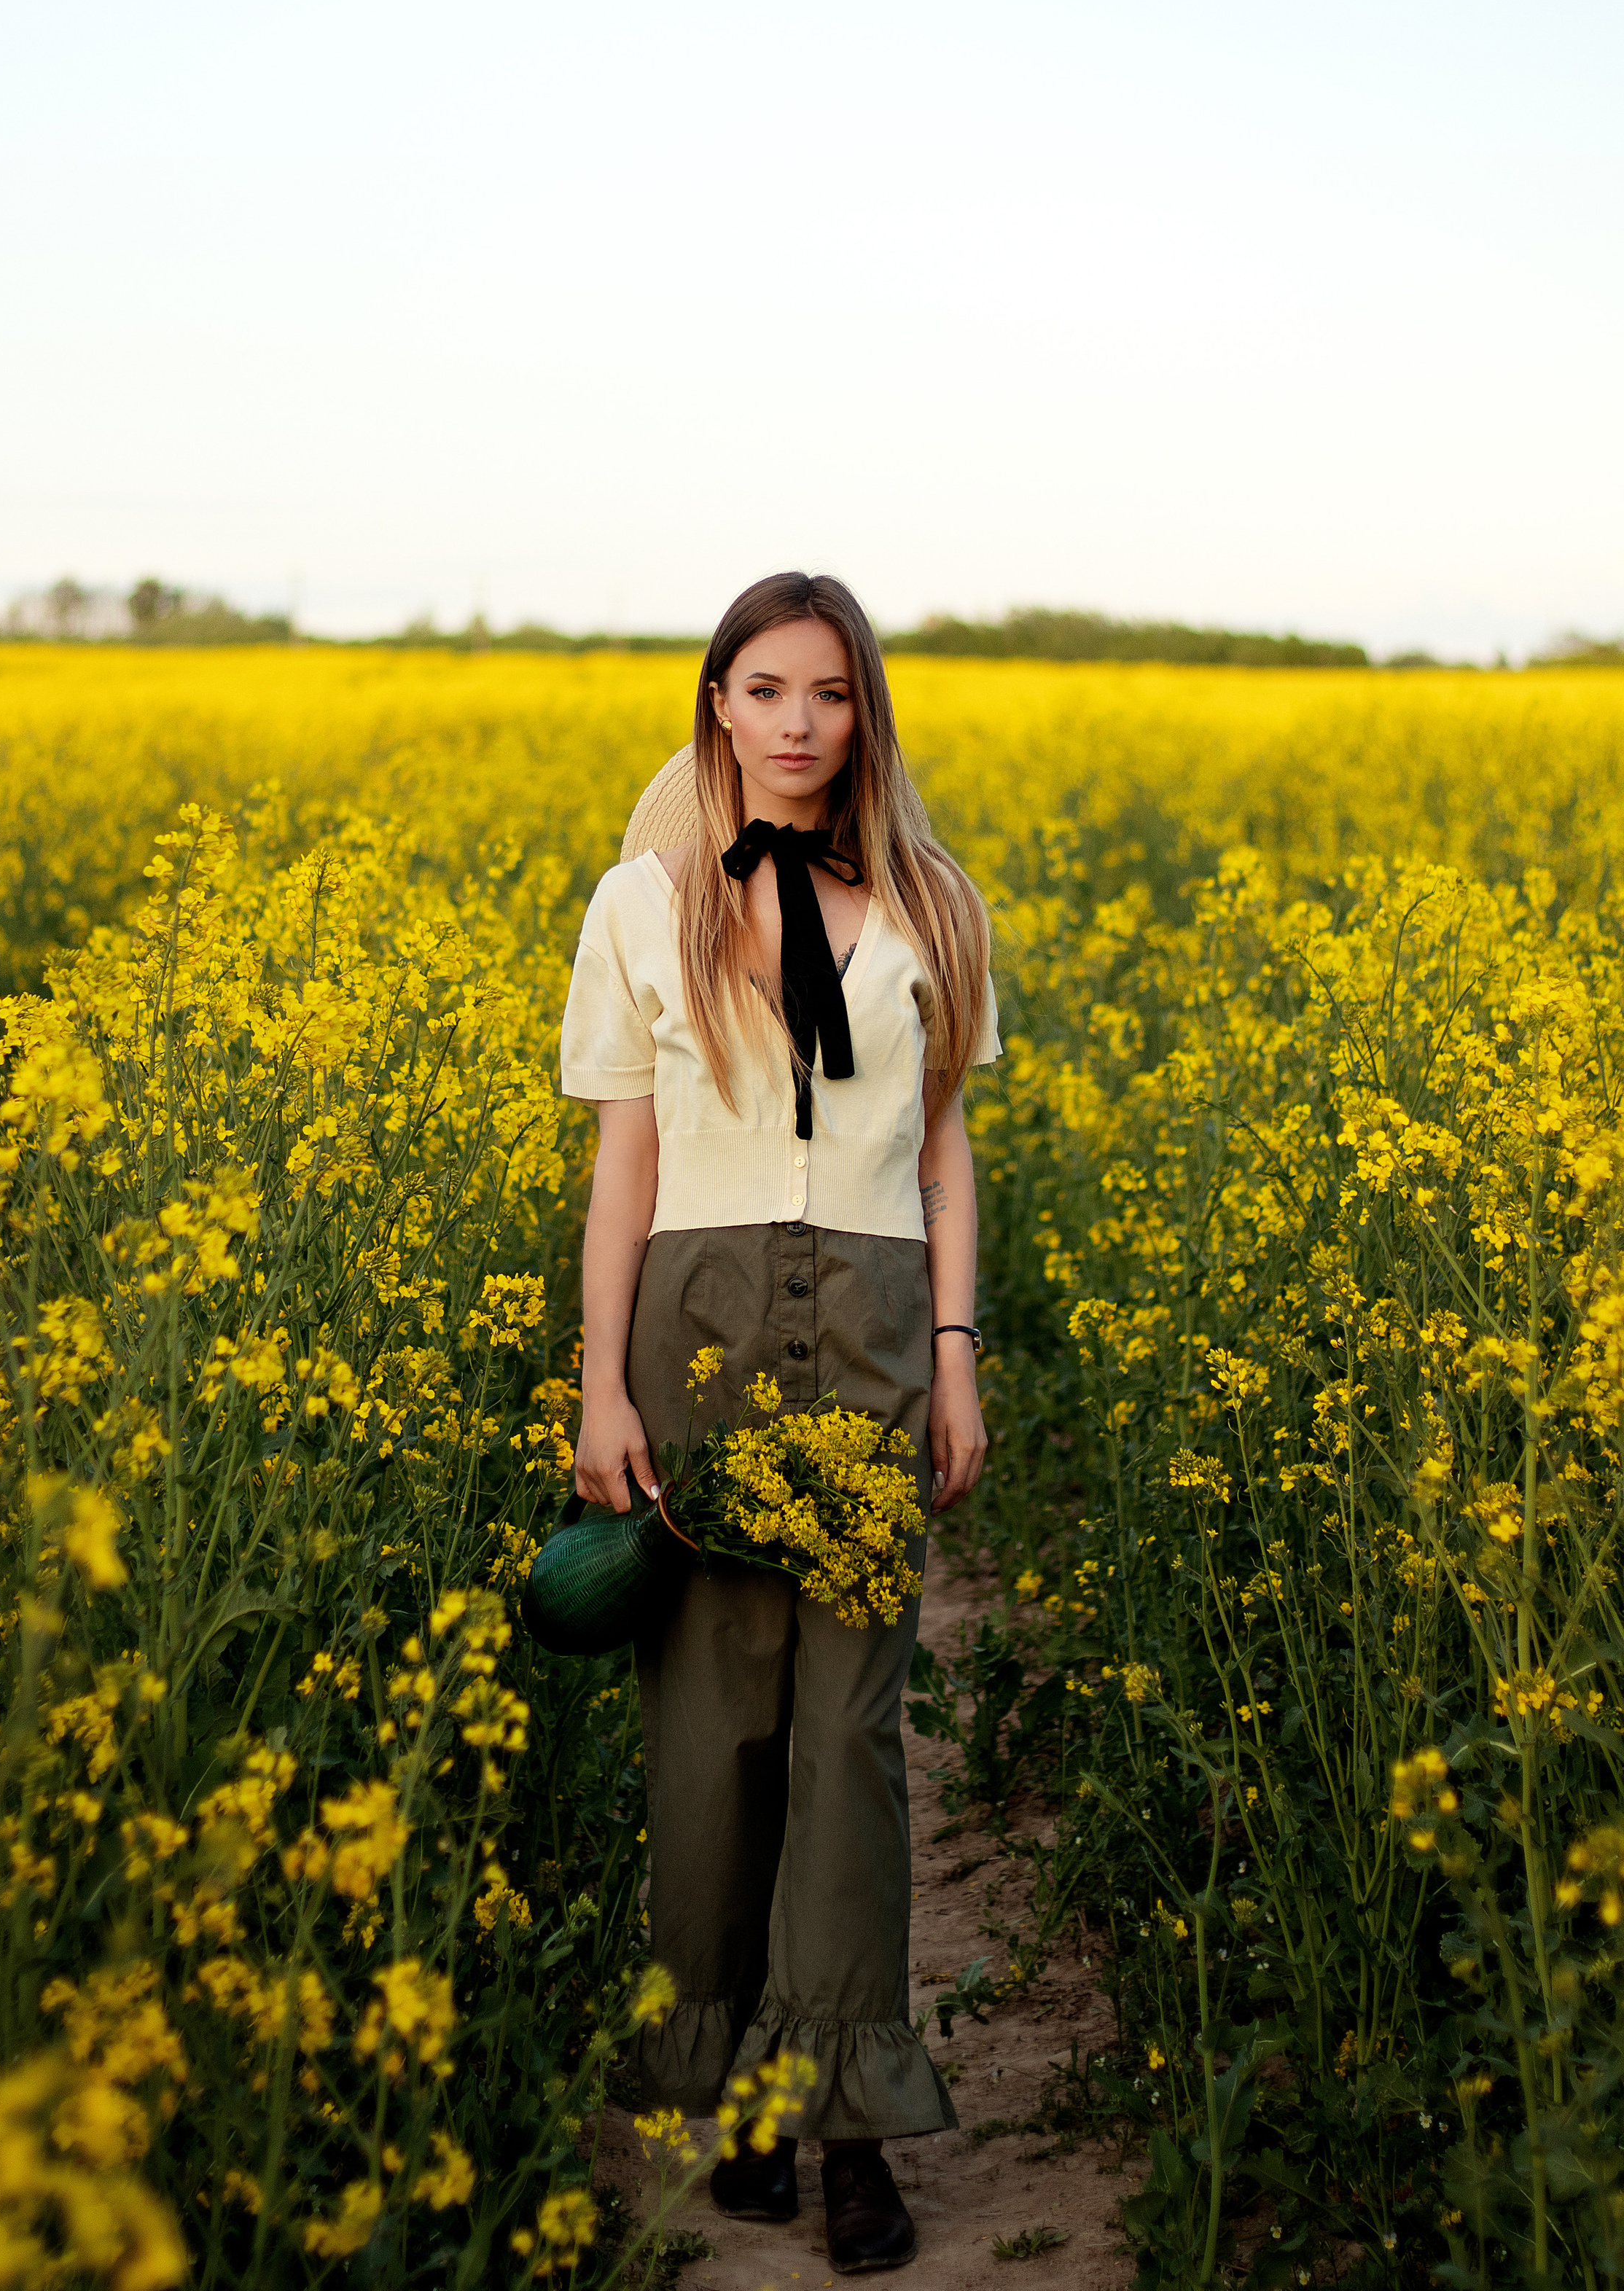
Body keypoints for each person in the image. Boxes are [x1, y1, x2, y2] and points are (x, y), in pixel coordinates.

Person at [559, 569, 999, 2274]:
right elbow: (625, 1167)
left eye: (826, 692)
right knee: (715, 1739)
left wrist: (953, 1353)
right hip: (707, 1329)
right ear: (716, 706)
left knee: (852, 1748)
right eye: (763, 690)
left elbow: (943, 1150)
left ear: (862, 709)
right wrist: (602, 1382)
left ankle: (850, 2136)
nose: (796, 723)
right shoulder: (636, 906)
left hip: (881, 1333)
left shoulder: (929, 908)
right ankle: (732, 2084)